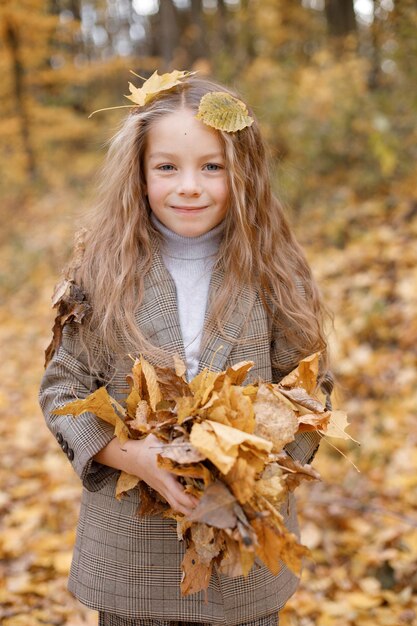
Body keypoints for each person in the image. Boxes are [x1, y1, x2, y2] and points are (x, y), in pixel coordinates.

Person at [39, 72, 333, 626]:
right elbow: (63, 388)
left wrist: (252, 472)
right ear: (140, 174)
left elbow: (311, 391)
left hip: (240, 550)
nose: (189, 186)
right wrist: (134, 458)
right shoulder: (103, 272)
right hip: (133, 552)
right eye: (167, 167)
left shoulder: (273, 272)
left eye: (212, 166)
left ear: (241, 172)